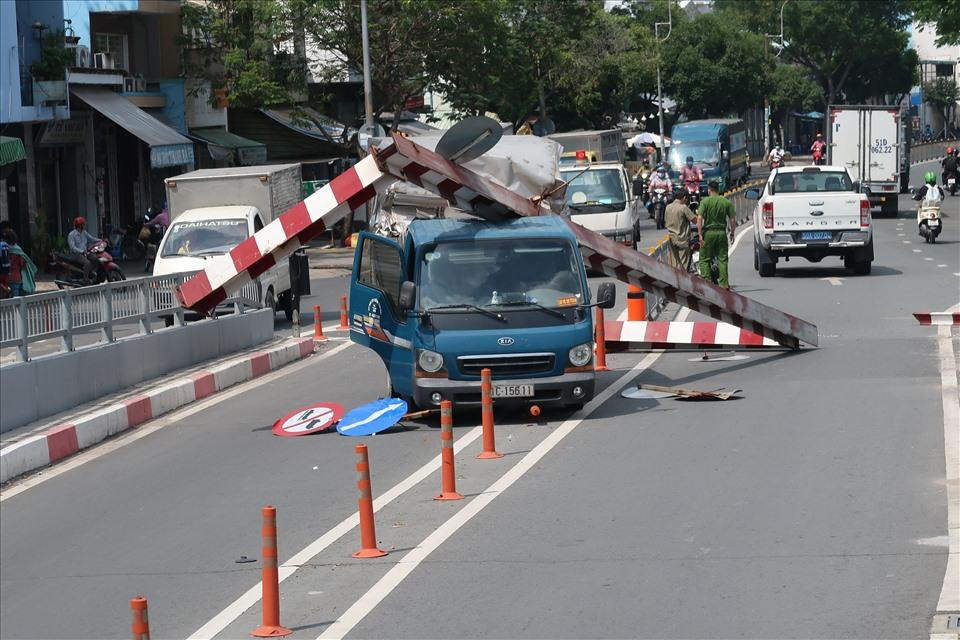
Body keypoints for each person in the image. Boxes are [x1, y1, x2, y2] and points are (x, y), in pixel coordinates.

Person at [696, 180, 737, 289]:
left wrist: (700, 234)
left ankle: (707, 283)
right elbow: (733, 220)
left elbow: (699, 218)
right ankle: (724, 285)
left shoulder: (705, 202)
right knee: (722, 259)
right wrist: (732, 233)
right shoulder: (726, 202)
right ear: (718, 189)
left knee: (704, 259)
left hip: (708, 233)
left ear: (709, 190)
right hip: (721, 233)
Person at [664, 189, 697, 272]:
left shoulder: (668, 207)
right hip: (682, 239)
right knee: (684, 266)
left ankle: (674, 279)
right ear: (684, 198)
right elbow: (695, 220)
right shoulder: (683, 207)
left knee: (675, 265)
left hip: (671, 238)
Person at [2, 229, 36, 296]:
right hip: (20, 278)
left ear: (6, 239)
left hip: (12, 278)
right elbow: (23, 263)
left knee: (15, 299)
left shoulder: (6, 250)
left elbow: (7, 265)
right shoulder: (18, 249)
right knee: (19, 298)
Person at [68, 216, 100, 282]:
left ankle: (89, 273)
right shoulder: (71, 235)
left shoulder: (84, 232)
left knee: (96, 259)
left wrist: (101, 240)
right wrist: (82, 251)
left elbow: (92, 239)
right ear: (79, 225)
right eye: (83, 224)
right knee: (87, 263)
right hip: (76, 254)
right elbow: (72, 247)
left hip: (85, 253)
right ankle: (85, 279)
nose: (84, 225)